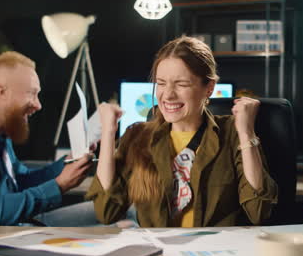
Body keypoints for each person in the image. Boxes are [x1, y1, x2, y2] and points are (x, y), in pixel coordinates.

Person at [87, 36, 278, 227]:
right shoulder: (137, 136)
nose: (168, 95)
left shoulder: (232, 133)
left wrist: (246, 133)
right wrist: (109, 133)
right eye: (161, 83)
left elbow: (258, 211)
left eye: (182, 84)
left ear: (209, 88)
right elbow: (107, 211)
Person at [0, 51, 95, 226]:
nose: (38, 104)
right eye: (31, 93)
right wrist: (59, 185)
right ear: (1, 92)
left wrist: (67, 163)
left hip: (18, 226)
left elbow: (21, 180)